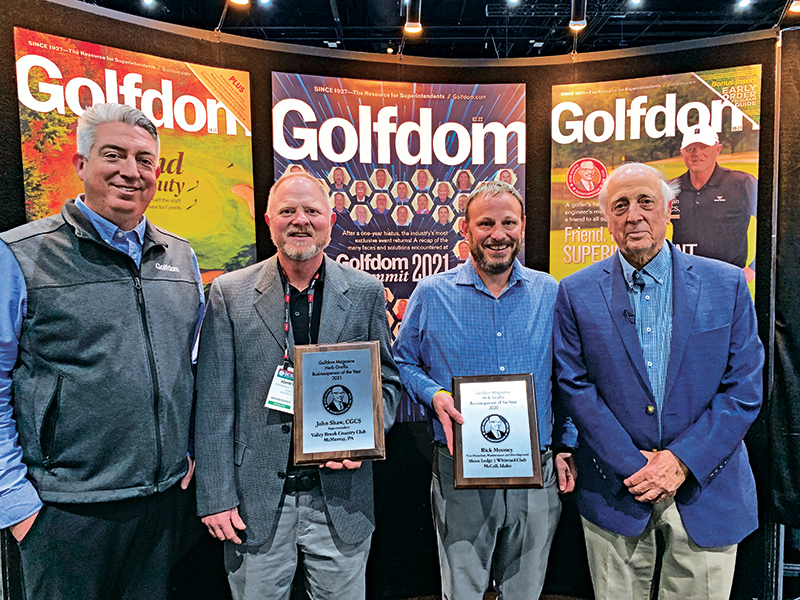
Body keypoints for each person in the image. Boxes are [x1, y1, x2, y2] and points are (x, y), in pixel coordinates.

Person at [0, 103, 204, 599]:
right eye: (113, 155)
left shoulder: (180, 256)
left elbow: (193, 365)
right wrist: (16, 503)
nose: (131, 172)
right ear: (81, 164)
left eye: (145, 159)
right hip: (65, 513)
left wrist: (191, 451)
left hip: (160, 507)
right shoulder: (21, 255)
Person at [553, 163, 764, 600]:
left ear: (670, 208)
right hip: (617, 491)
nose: (634, 215)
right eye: (620, 205)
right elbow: (574, 386)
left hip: (707, 489)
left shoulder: (726, 284)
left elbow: (744, 386)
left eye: (646, 201)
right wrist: (636, 465)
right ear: (607, 219)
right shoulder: (574, 291)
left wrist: (681, 461)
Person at [194, 171, 401, 600]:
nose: (300, 220)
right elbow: (213, 402)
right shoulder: (229, 294)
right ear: (269, 220)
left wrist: (364, 436)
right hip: (256, 503)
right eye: (288, 210)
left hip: (341, 500)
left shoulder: (364, 292)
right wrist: (215, 496)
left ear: (331, 220)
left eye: (311, 210)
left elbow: (389, 383)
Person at [393, 180, 577, 600]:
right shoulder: (431, 294)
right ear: (466, 229)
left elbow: (569, 375)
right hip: (460, 471)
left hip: (537, 471)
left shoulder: (550, 292)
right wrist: (434, 394)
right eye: (486, 223)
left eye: (508, 222)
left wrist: (567, 444)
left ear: (523, 226)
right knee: (462, 590)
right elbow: (402, 361)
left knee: (525, 592)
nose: (498, 234)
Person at [671, 124, 757, 274]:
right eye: (690, 148)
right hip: (683, 278)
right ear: (682, 153)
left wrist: (753, 269)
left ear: (718, 149)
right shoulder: (670, 188)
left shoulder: (742, 183)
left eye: (704, 147)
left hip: (727, 278)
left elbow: (772, 226)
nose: (696, 153)